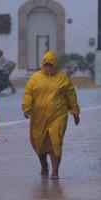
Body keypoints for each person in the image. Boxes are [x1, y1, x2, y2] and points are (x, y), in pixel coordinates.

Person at [22, 50, 80, 180]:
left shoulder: (63, 78)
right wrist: (26, 108)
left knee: (55, 142)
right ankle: (44, 165)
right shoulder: (35, 78)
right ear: (43, 64)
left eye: (51, 64)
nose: (48, 67)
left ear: (55, 64)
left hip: (58, 116)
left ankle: (55, 171)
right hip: (38, 117)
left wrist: (75, 112)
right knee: (39, 143)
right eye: (46, 65)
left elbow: (71, 95)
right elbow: (28, 94)